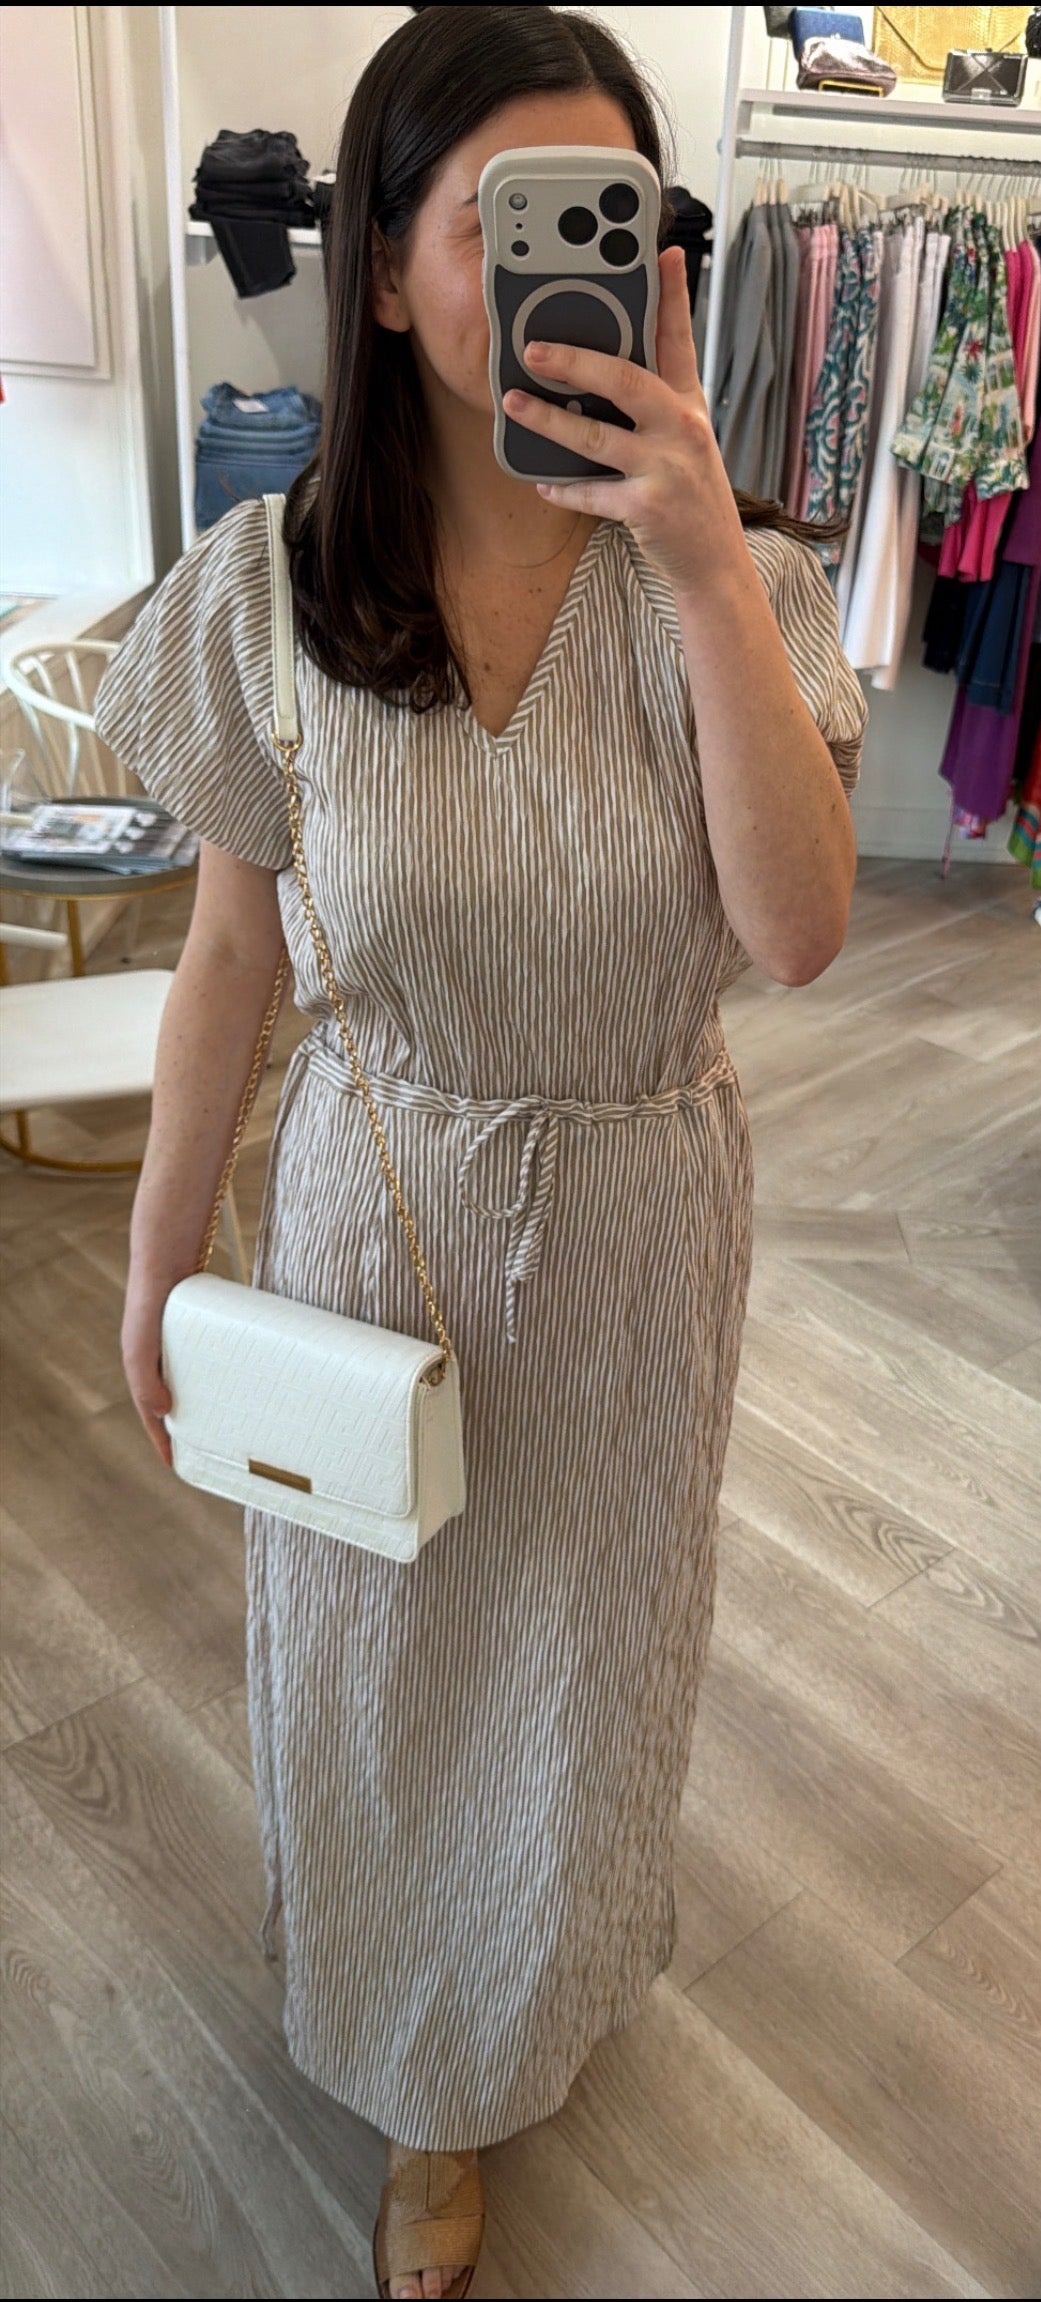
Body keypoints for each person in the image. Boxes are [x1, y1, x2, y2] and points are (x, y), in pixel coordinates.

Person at [94, 9, 868, 2298]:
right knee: (374, 1662)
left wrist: (705, 567)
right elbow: (229, 956)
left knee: (585, 1663)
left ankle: (525, 1994)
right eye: (504, 219)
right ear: (384, 267)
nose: (566, 267)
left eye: (612, 217)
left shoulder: (737, 584)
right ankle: (414, 2076)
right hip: (377, 1217)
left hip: (639, 1222)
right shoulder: (273, 586)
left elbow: (796, 934)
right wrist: (156, 1258)